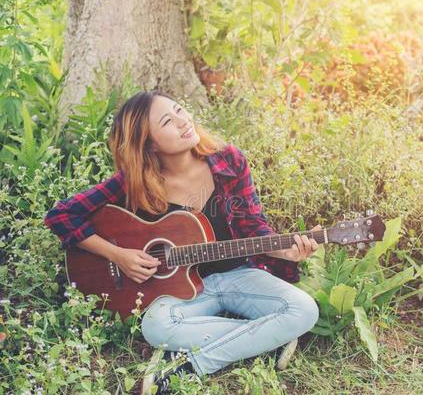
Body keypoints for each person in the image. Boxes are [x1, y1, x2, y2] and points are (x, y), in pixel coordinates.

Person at [44, 90, 321, 393]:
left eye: (179, 109)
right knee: (155, 326)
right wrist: (119, 255)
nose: (183, 121)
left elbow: (253, 227)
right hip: (180, 293)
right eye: (167, 120)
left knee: (305, 310)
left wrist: (285, 251)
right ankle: (268, 339)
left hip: (239, 275)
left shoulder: (228, 161)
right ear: (149, 142)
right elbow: (61, 216)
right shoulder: (135, 181)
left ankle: (193, 365)